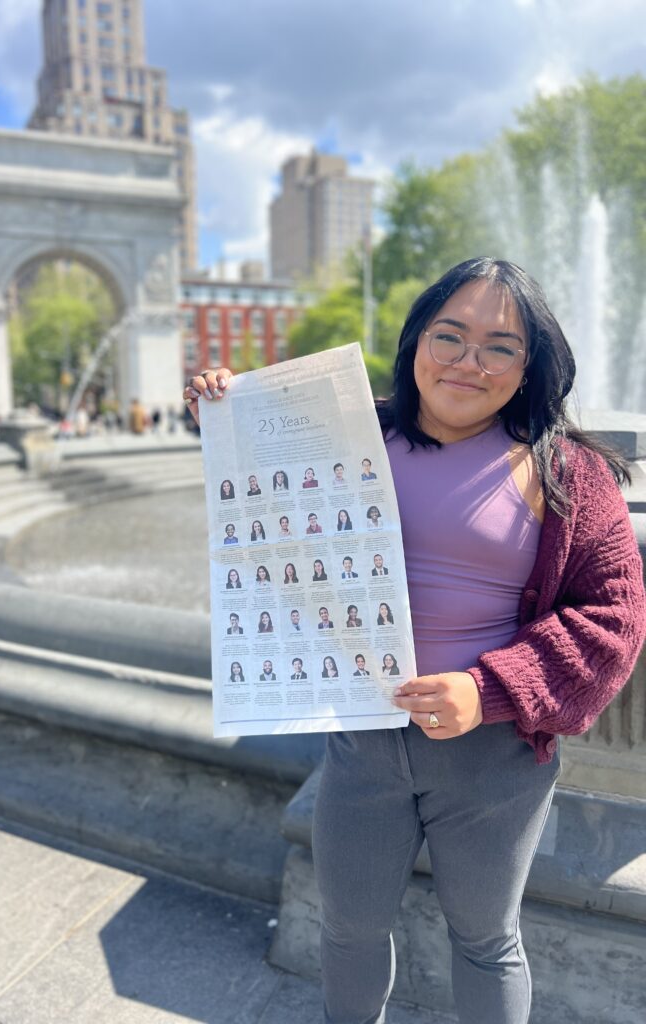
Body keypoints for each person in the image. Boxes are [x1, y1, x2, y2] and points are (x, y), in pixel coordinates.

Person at [182, 257, 646, 1024]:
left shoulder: (570, 471)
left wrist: (487, 689)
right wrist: (226, 409)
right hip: (362, 740)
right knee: (349, 929)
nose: (469, 361)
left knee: (486, 938)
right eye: (450, 335)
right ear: (415, 340)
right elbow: (264, 497)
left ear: (529, 365)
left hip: (491, 756)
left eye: (500, 345)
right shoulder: (346, 431)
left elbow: (615, 620)